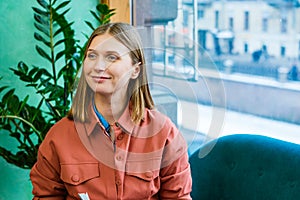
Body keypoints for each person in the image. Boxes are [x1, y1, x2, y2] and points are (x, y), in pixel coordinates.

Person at [30, 22, 192, 199]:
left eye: (112, 57)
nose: (98, 66)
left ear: (135, 70)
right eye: (92, 56)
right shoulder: (59, 136)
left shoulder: (164, 134)